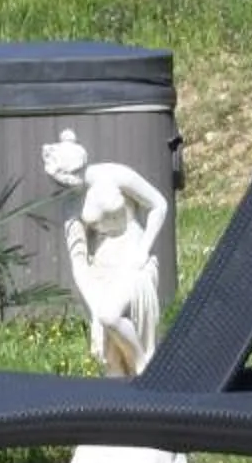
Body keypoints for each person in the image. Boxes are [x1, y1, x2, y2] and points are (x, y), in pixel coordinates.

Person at [41, 128, 170, 378]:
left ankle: (143, 364)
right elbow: (78, 259)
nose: (65, 185)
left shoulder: (115, 175)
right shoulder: (70, 203)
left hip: (133, 258)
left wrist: (144, 250)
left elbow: (159, 205)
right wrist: (92, 301)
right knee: (111, 353)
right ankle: (122, 381)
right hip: (102, 267)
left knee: (110, 316)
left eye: (67, 179)